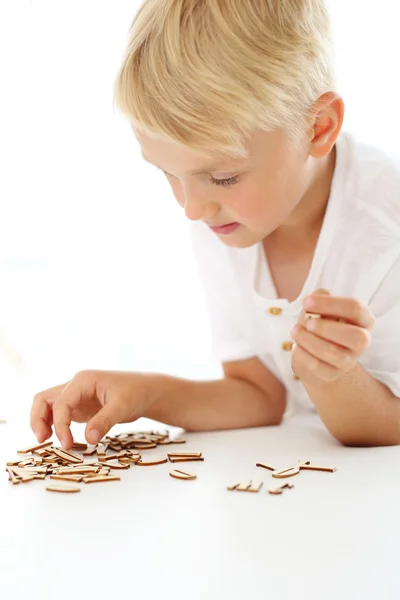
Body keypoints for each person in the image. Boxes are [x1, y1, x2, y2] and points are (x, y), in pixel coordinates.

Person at [30, 0, 400, 449]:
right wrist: (144, 394)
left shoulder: (384, 226)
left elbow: (389, 425)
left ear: (318, 128)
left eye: (223, 176)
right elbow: (259, 393)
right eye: (167, 173)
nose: (191, 208)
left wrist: (334, 377)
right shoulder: (226, 213)